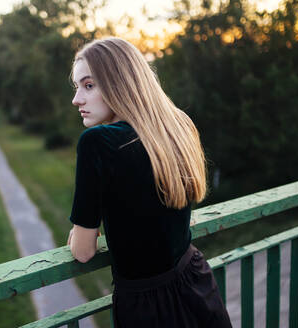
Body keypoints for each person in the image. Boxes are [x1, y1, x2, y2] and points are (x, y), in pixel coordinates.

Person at [66, 37, 232, 327]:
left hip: (148, 309)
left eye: (89, 85)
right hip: (197, 283)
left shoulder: (97, 143)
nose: (76, 99)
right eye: (77, 87)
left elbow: (83, 251)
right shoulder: (178, 123)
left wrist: (77, 234)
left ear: (121, 83)